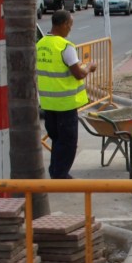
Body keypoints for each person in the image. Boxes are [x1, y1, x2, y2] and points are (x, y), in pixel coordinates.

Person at [36, 10, 97, 180]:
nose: (70, 28)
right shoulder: (65, 47)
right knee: (68, 143)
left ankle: (55, 171)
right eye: (70, 25)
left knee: (56, 140)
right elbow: (78, 73)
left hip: (48, 104)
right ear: (62, 24)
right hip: (65, 104)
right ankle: (60, 175)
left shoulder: (40, 44)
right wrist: (89, 67)